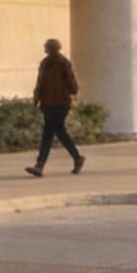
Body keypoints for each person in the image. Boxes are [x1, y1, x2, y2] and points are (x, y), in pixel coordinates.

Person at [24, 38, 85, 177]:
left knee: (48, 133)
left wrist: (72, 93)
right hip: (48, 103)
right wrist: (36, 98)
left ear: (52, 48)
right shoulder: (45, 63)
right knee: (60, 132)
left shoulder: (63, 63)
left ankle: (40, 165)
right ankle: (77, 158)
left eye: (46, 46)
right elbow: (40, 83)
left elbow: (72, 82)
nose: (44, 48)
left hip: (61, 103)